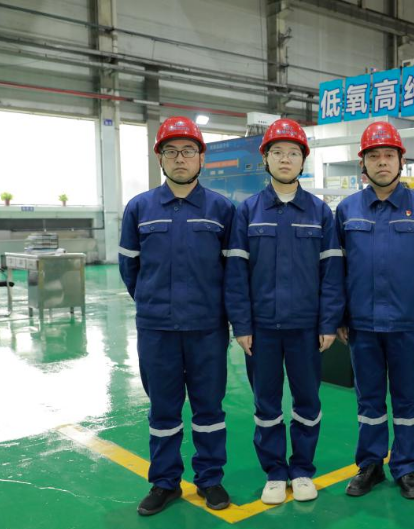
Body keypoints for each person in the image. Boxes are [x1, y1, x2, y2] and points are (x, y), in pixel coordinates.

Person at [224, 118, 344, 505]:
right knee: (267, 405)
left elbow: (331, 273)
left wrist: (328, 322)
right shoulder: (248, 211)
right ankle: (275, 471)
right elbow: (236, 273)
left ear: (303, 160)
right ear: (266, 159)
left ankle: (303, 468)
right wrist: (242, 324)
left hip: (306, 329)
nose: (285, 159)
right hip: (262, 329)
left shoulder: (320, 212)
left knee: (308, 403)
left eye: (293, 152)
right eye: (277, 152)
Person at [119, 116, 235, 515]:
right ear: (160, 159)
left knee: (209, 410)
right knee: (163, 410)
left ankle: (210, 479)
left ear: (202, 157)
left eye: (188, 150)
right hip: (158, 330)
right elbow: (130, 268)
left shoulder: (222, 209)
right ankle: (165, 482)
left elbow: (233, 271)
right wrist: (153, 302)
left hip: (207, 329)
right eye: (171, 151)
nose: (180, 158)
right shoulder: (139, 208)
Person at [335, 121, 414, 500]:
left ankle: (406, 466)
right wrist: (338, 316)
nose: (382, 162)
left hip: (406, 323)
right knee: (368, 399)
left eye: (389, 155)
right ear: (363, 164)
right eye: (374, 156)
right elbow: (336, 270)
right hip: (362, 324)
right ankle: (370, 465)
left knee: (406, 398)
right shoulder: (347, 210)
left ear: (401, 162)